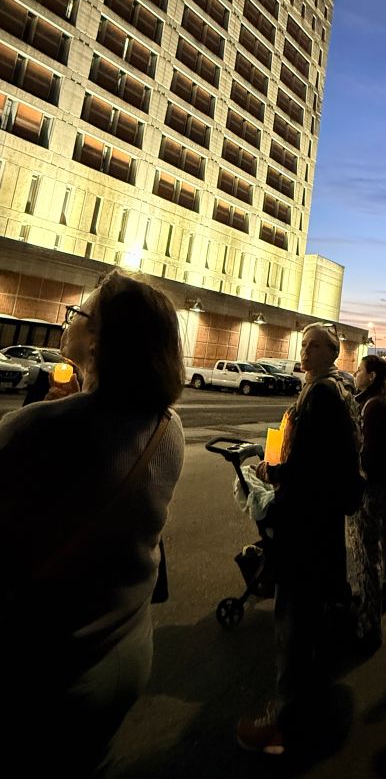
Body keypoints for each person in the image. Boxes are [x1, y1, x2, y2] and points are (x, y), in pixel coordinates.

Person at [0, 269, 186, 776]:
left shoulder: (36, 429)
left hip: (50, 669)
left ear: (101, 340)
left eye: (79, 313)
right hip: (126, 648)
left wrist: (44, 416)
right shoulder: (170, 428)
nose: (69, 319)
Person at [236, 323, 363, 755]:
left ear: (333, 352)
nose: (305, 351)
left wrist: (276, 471)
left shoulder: (324, 393)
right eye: (304, 345)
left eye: (315, 346)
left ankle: (287, 719)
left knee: (294, 615)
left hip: (306, 521)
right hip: (318, 519)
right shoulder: (331, 390)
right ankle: (306, 705)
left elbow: (315, 463)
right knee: (306, 611)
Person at [351, 354, 386, 647]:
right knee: (378, 548)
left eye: (359, 369)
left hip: (371, 491)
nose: (356, 373)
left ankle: (369, 625)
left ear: (371, 376)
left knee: (366, 556)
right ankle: (374, 607)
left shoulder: (372, 407)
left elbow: (369, 457)